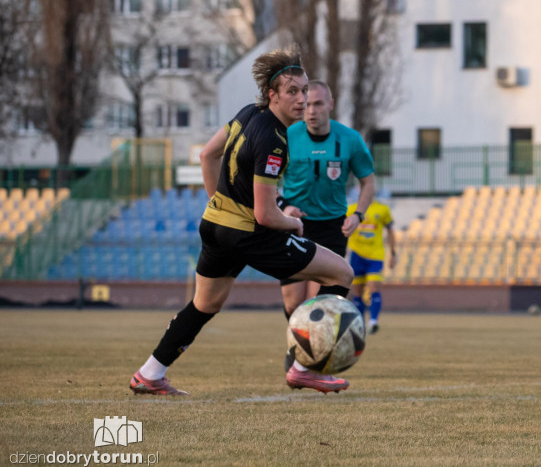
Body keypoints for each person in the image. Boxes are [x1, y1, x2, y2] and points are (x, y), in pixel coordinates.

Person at [129, 50, 355, 396]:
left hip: (216, 225)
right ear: (272, 95)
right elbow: (266, 216)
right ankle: (303, 368)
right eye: (292, 91)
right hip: (248, 232)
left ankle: (150, 373)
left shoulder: (248, 114)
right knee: (340, 273)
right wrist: (292, 224)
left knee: (205, 305)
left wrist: (220, 205)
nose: (302, 98)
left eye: (304, 90)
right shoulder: (275, 142)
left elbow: (208, 155)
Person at [279, 80, 375, 368]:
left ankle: (306, 359)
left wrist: (358, 214)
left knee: (318, 302)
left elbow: (368, 181)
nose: (311, 110)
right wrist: (283, 206)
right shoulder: (286, 136)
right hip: (294, 225)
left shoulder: (350, 139)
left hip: (333, 227)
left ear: (330, 105)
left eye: (318, 104)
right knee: (292, 303)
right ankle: (299, 346)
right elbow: (264, 178)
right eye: (307, 104)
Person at [346, 193, 397, 333]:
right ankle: (359, 323)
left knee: (374, 287)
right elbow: (343, 230)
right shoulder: (351, 209)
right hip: (356, 254)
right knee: (357, 293)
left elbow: (390, 231)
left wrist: (393, 253)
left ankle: (374, 321)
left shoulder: (382, 209)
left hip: (376, 255)